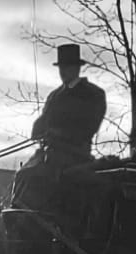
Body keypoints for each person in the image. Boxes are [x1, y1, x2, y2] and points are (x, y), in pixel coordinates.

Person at [9, 43, 107, 217]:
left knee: (37, 176)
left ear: (76, 68)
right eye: (61, 68)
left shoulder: (93, 94)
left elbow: (89, 127)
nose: (63, 72)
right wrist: (38, 130)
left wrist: (58, 134)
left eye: (67, 67)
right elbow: (42, 122)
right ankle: (17, 215)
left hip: (75, 154)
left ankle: (45, 219)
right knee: (23, 174)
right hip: (48, 154)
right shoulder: (55, 96)